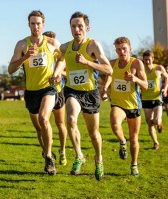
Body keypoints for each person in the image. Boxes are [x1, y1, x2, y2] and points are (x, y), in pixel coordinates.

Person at [52, 11, 112, 181]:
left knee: (94, 133)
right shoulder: (65, 46)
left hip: (90, 93)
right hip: (72, 90)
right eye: (73, 26)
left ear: (87, 27)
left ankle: (98, 159)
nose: (77, 29)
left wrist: (87, 62)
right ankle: (79, 156)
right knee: (70, 119)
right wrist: (57, 72)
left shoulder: (93, 45)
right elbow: (61, 59)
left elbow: (109, 69)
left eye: (80, 26)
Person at [8, 10, 62, 175]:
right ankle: (47, 151)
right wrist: (25, 57)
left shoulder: (52, 43)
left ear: (43, 25)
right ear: (29, 25)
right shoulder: (22, 45)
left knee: (44, 118)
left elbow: (63, 58)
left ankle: (48, 158)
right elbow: (10, 69)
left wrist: (57, 72)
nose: (36, 26)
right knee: (39, 128)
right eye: (33, 23)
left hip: (49, 88)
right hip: (31, 92)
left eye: (38, 23)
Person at [101, 37, 148, 176]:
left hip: (133, 105)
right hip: (118, 103)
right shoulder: (112, 63)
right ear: (116, 50)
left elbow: (145, 85)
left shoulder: (137, 64)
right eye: (119, 49)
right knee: (115, 123)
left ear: (130, 49)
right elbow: (109, 75)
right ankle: (122, 142)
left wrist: (135, 79)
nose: (122, 52)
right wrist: (105, 88)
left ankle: (134, 164)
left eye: (124, 49)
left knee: (134, 138)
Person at [42, 31, 68, 166]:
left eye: (52, 40)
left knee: (60, 123)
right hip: (43, 91)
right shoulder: (41, 54)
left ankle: (62, 151)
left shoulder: (60, 55)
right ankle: (48, 151)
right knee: (44, 122)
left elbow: (67, 72)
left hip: (58, 92)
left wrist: (59, 74)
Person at [141, 50, 168, 150]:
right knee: (149, 122)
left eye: (149, 60)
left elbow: (167, 77)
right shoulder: (141, 69)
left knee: (156, 120)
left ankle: (159, 123)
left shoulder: (158, 68)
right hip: (145, 98)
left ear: (153, 59)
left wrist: (165, 88)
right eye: (145, 60)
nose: (147, 62)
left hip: (157, 97)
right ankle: (156, 142)